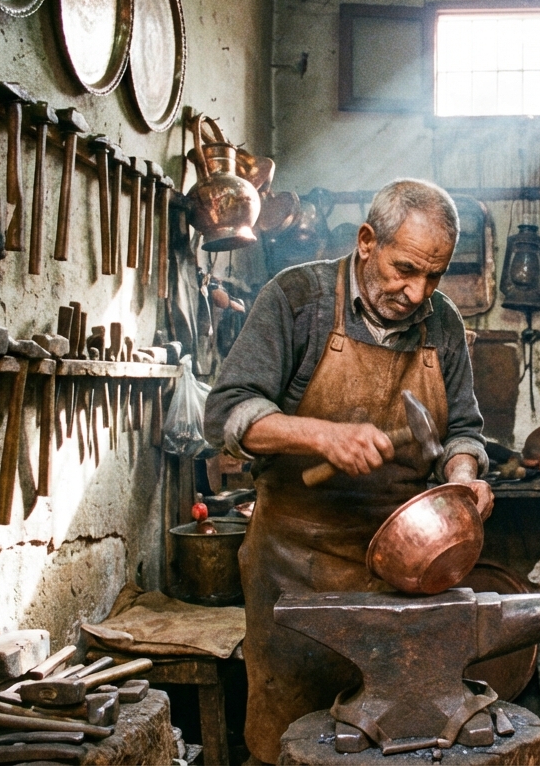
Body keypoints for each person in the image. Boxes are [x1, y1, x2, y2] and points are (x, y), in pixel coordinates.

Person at [203, 178, 493, 763]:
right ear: (366, 241)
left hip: (402, 569)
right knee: (292, 740)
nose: (417, 292)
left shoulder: (442, 323)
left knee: (394, 740)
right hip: (294, 569)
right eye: (405, 269)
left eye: (434, 276)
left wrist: (462, 474)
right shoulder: (297, 299)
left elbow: (463, 428)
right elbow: (227, 413)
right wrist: (321, 434)